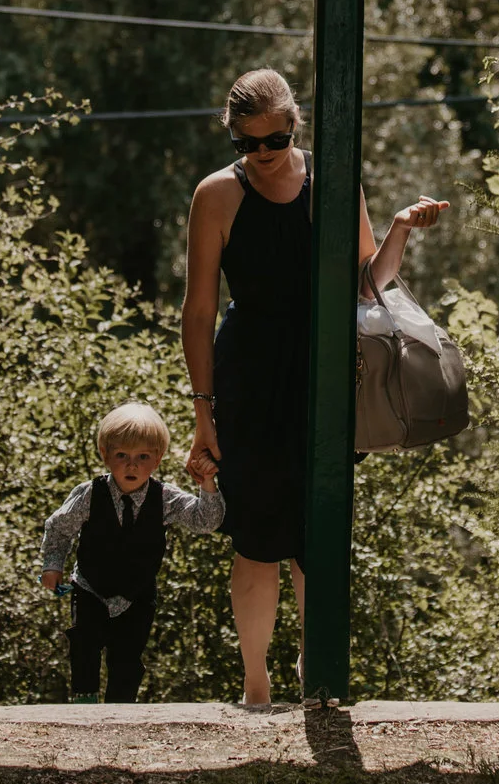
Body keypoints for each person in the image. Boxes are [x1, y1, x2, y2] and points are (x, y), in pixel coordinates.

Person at [180, 68, 447, 707]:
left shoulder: (331, 179)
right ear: (235, 140)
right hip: (248, 377)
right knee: (255, 536)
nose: (266, 155)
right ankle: (254, 685)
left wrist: (401, 228)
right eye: (250, 145)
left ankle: (314, 673)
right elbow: (198, 311)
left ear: (295, 125)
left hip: (326, 375)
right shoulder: (216, 195)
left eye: (278, 139)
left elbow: (364, 282)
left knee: (316, 531)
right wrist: (201, 411)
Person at [39, 402, 224, 704]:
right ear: (105, 455)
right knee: (84, 645)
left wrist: (207, 483)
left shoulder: (164, 497)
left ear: (157, 460)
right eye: (122, 456)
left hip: (138, 593)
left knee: (127, 656)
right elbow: (59, 527)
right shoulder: (90, 494)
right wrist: (52, 565)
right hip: (90, 588)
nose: (132, 465)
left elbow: (205, 522)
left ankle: (121, 710)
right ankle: (84, 706)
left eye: (142, 457)